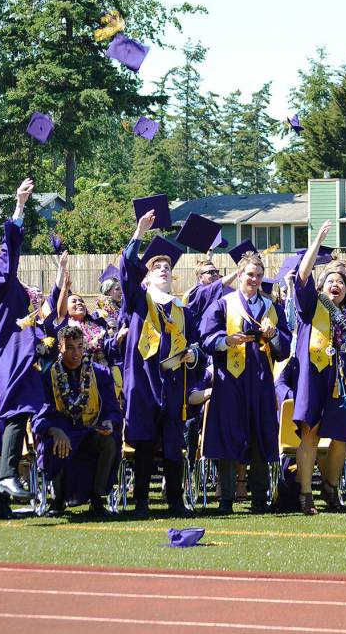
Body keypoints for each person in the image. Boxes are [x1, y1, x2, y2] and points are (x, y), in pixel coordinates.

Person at [292, 221, 346, 515]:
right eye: (331, 280)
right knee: (310, 434)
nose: (336, 284)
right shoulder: (310, 305)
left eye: (341, 281)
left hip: (343, 379)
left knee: (341, 436)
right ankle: (305, 494)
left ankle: (330, 488)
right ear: (322, 285)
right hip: (314, 376)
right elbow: (302, 276)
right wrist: (317, 241)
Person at [119, 210, 200, 518]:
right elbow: (127, 270)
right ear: (148, 276)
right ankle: (141, 502)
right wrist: (139, 233)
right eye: (157, 267)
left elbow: (198, 345)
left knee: (173, 444)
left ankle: (176, 502)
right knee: (143, 442)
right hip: (143, 380)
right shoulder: (139, 300)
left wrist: (193, 355)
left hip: (174, 383)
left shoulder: (182, 309)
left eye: (167, 267)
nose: (163, 270)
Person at [200, 250, 290, 514]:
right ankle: (226, 499)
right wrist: (227, 340)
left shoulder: (271, 307)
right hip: (230, 381)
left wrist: (273, 336)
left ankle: (259, 499)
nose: (254, 279)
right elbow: (206, 338)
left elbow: (284, 347)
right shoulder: (224, 304)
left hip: (261, 381)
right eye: (250, 274)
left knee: (260, 436)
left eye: (259, 275)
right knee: (229, 436)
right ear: (239, 275)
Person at [0, 179, 44, 514]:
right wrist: (20, 207)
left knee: (18, 407)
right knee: (20, 404)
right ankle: (8, 474)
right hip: (6, 354)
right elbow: (9, 251)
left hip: (6, 355)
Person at [34, 326, 122, 517]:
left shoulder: (99, 373)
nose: (76, 353)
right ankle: (57, 501)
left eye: (80, 347)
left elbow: (112, 408)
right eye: (71, 347)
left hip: (89, 430)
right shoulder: (48, 376)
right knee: (54, 443)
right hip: (62, 432)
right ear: (61, 348)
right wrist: (53, 430)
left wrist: (109, 422)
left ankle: (97, 500)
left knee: (109, 440)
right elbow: (40, 412)